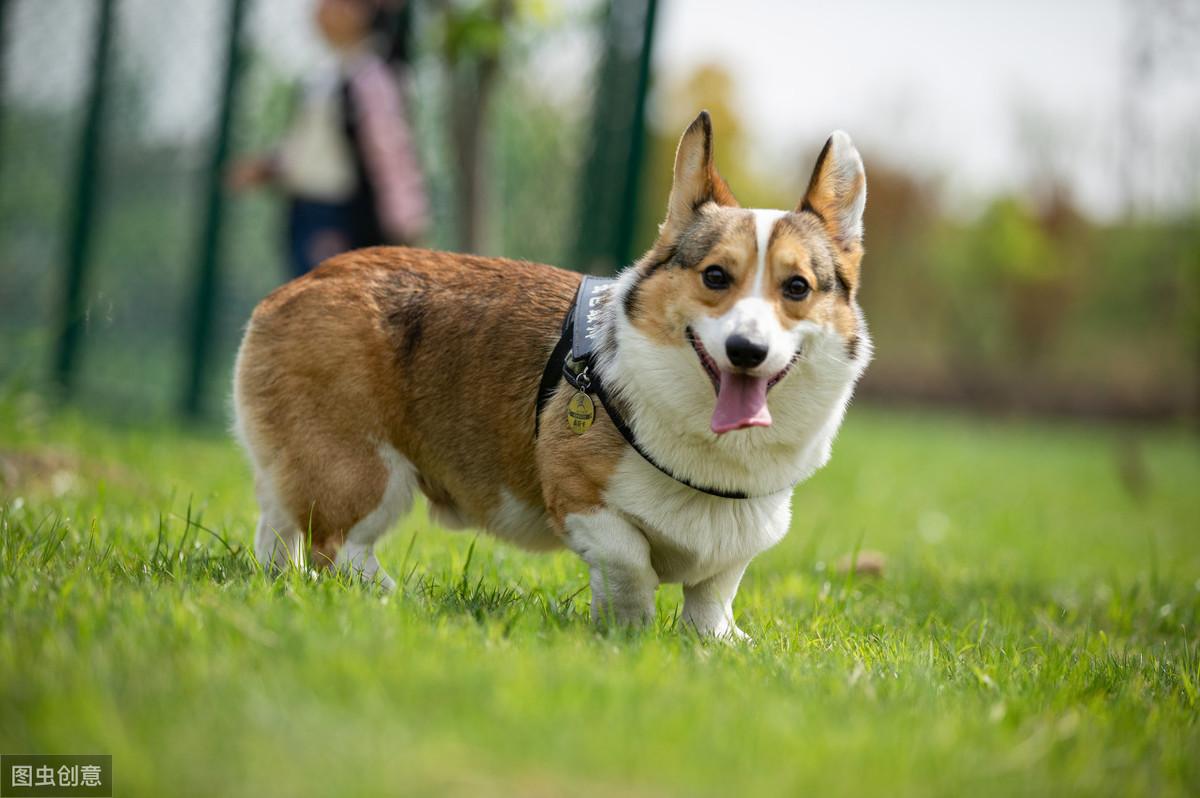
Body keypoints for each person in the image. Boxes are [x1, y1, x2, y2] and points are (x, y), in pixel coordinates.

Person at [228, 0, 428, 278]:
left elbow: (390, 153)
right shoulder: (325, 76)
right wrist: (271, 167)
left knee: (328, 303)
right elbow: (312, 150)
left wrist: (405, 222)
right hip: (305, 208)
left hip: (339, 213)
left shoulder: (372, 79)